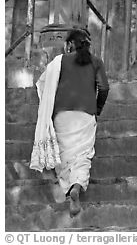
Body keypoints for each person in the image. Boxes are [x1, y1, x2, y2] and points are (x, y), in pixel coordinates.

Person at [30, 28, 109, 216]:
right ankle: (77, 185)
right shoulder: (96, 62)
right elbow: (104, 88)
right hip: (86, 114)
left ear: (70, 44)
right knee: (83, 155)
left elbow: (43, 84)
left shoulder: (59, 62)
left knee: (64, 156)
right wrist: (97, 109)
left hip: (62, 114)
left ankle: (69, 188)